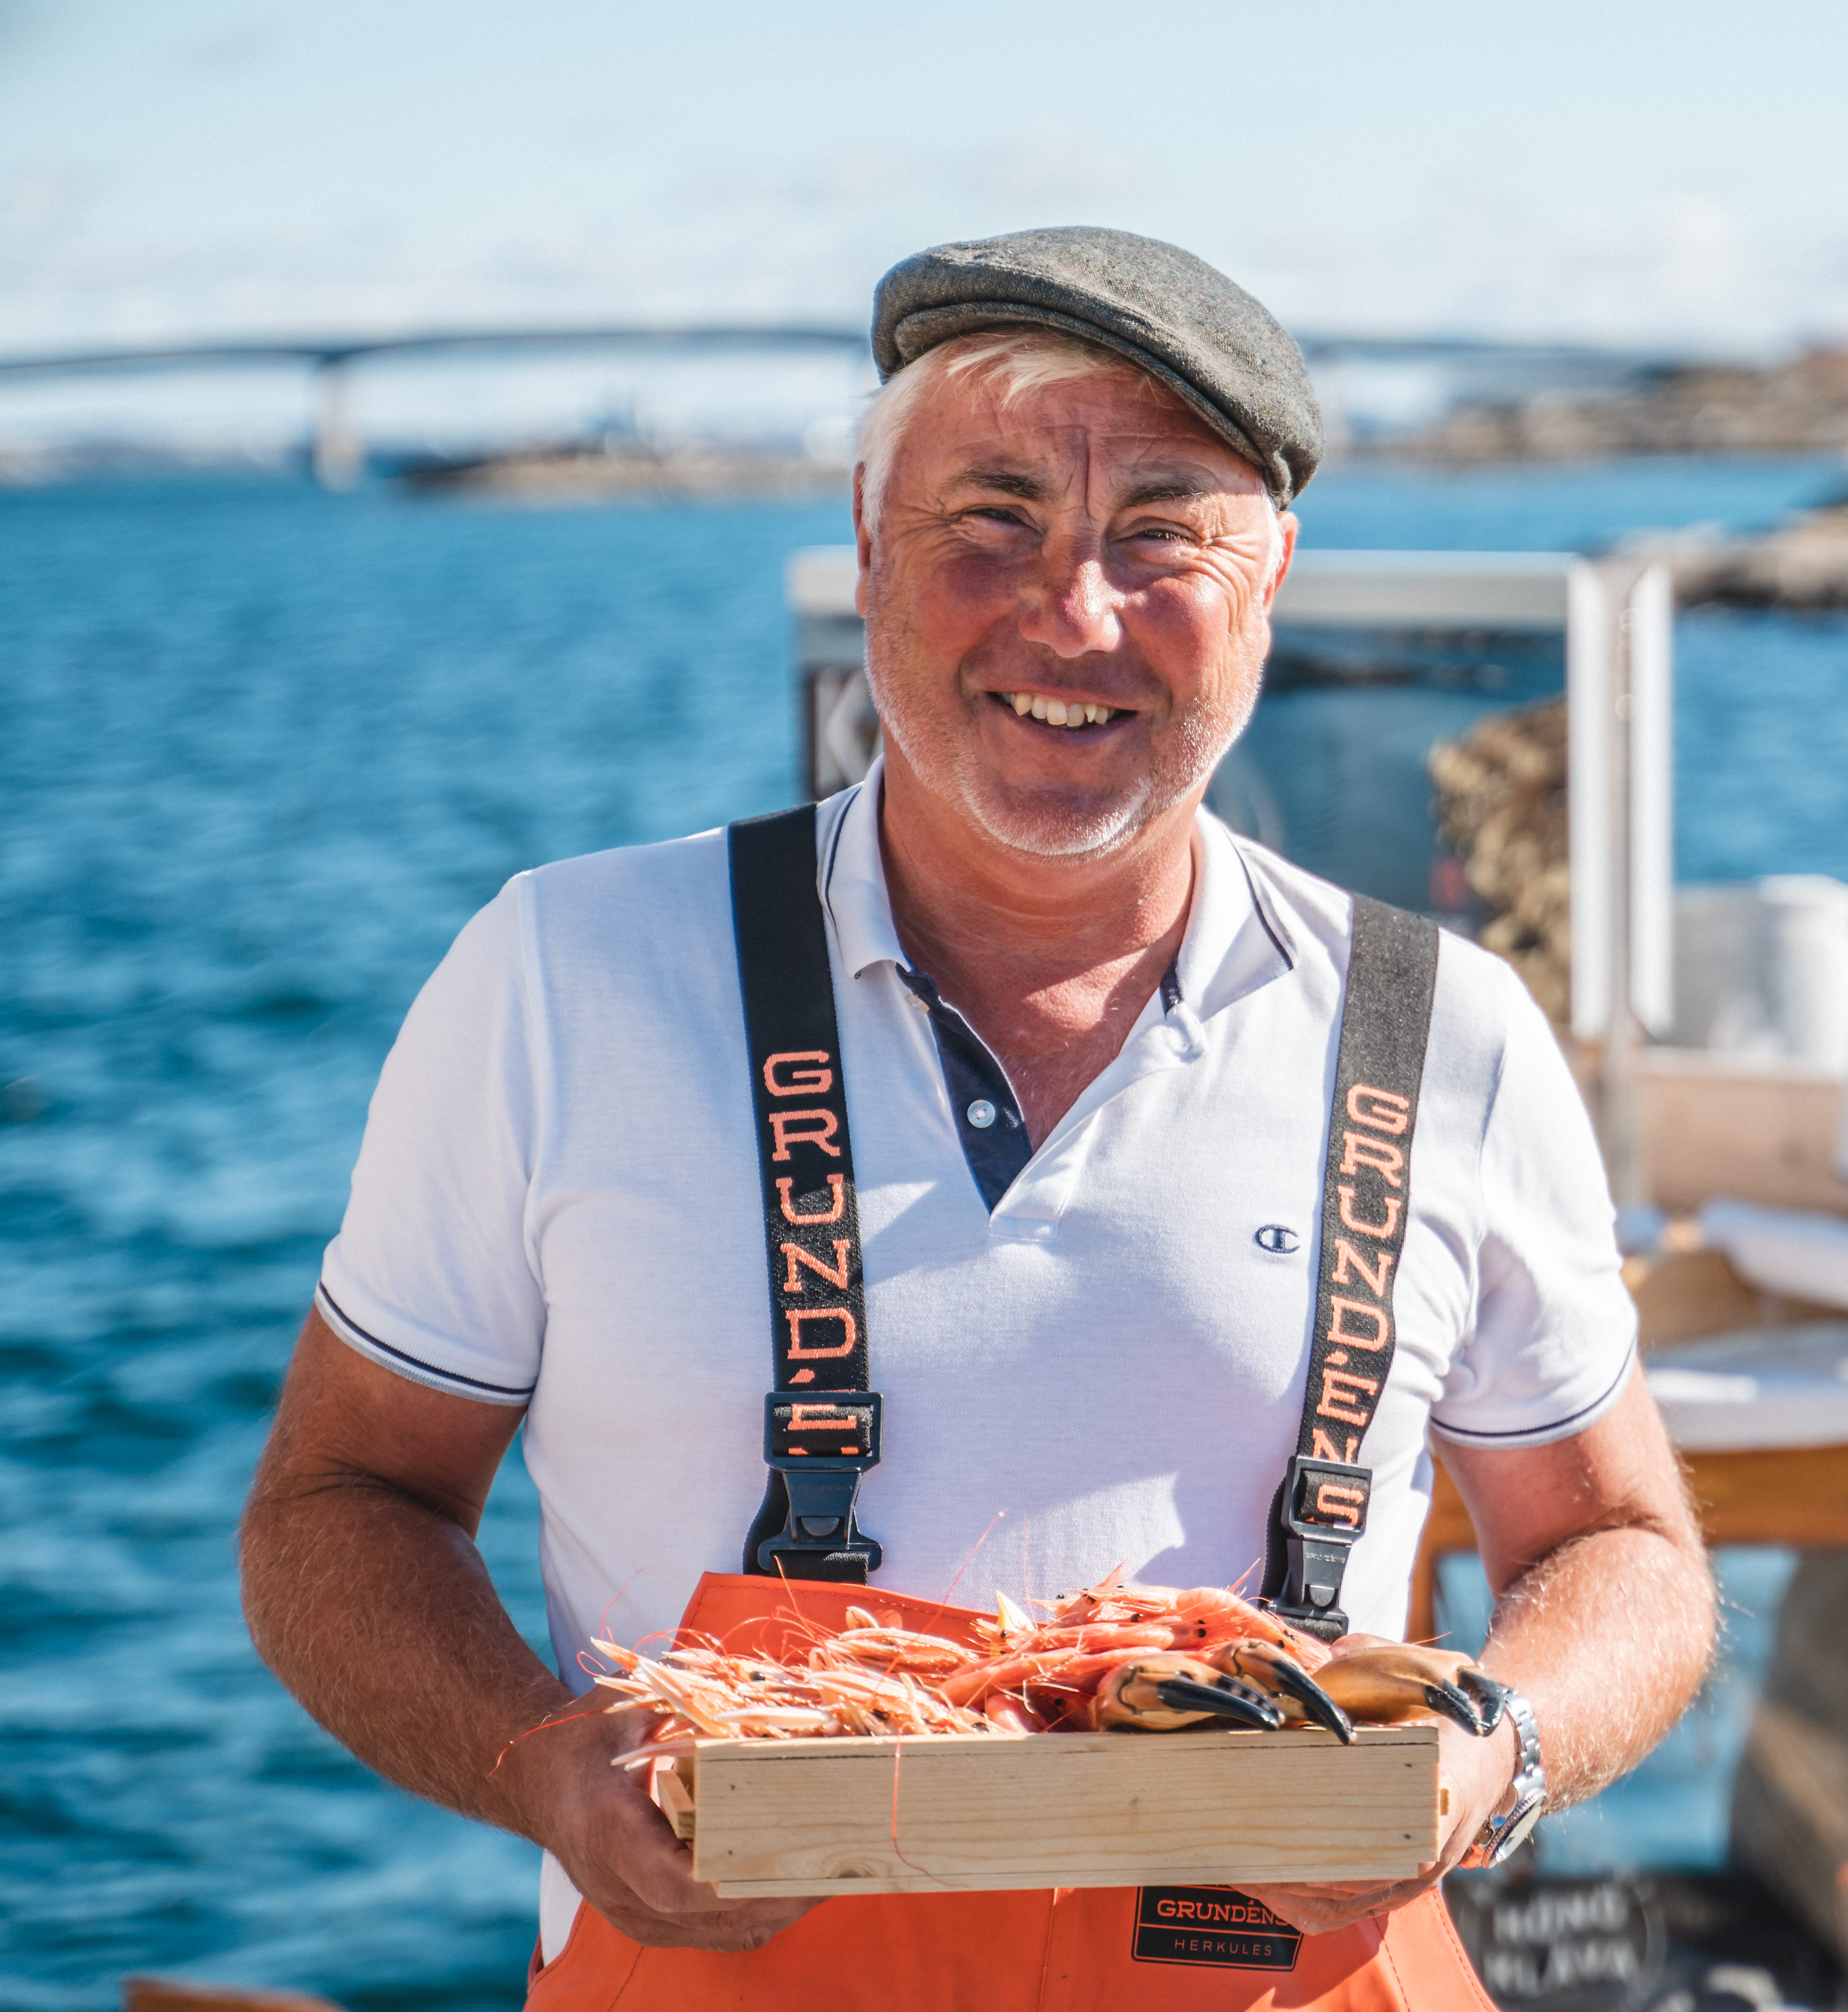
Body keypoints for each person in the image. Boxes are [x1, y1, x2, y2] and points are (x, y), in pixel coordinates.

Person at [242, 225, 1716, 2010]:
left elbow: (1619, 1546)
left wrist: (1498, 1756)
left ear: (1272, 584)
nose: (1074, 613)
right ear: (869, 547)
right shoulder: (564, 976)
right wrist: (540, 1760)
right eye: (991, 518)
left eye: (1163, 530)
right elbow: (341, 1497)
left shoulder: (1442, 1032)